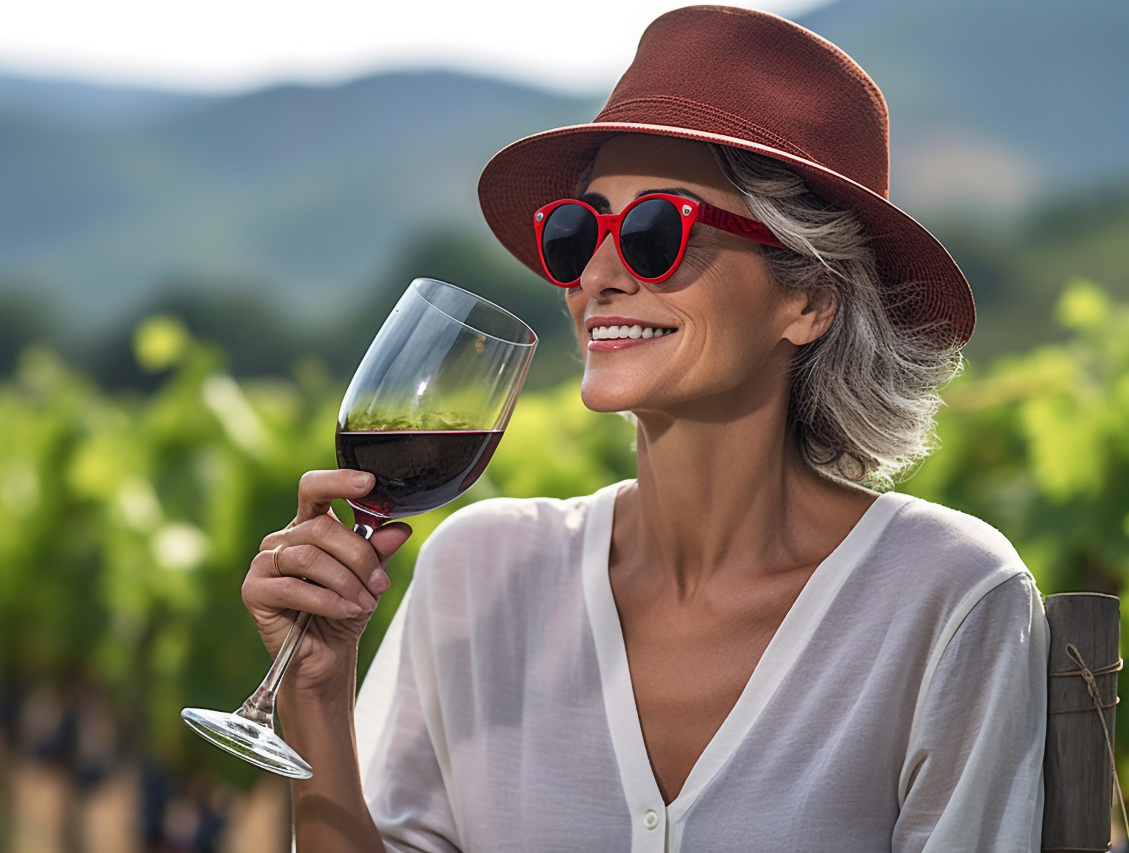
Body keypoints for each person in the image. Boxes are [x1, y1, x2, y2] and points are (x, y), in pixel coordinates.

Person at [240, 6, 1048, 851]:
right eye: (578, 228)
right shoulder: (476, 575)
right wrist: (318, 695)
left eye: (659, 230)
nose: (598, 273)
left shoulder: (948, 597)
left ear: (807, 298)